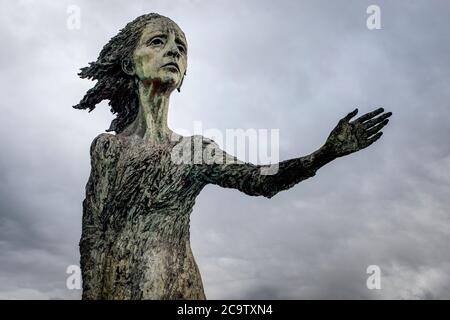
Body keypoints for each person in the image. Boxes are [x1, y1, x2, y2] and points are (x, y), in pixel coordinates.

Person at [74, 13, 392, 299]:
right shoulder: (108, 148)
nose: (173, 51)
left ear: (184, 72)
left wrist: (325, 154)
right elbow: (94, 234)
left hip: (181, 289)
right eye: (159, 42)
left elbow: (258, 180)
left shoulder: (194, 151)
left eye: (181, 48)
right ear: (129, 63)